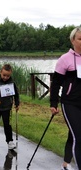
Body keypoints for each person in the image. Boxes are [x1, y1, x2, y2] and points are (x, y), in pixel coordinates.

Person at [50, 27, 81, 170]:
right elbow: (55, 83)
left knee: (74, 133)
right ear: (72, 40)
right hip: (70, 103)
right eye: (80, 39)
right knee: (79, 136)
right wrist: (53, 103)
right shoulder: (65, 59)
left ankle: (66, 162)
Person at [0, 64, 20, 150]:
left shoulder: (12, 83)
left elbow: (16, 94)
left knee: (7, 125)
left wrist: (17, 104)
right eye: (4, 75)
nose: (5, 77)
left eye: (8, 76)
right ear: (0, 72)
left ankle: (9, 141)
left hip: (7, 107)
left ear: (10, 74)